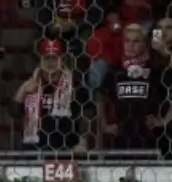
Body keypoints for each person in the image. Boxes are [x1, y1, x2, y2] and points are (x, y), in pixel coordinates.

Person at [95, 24, 172, 154]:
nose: (130, 45)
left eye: (136, 41)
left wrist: (164, 121)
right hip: (120, 135)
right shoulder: (115, 71)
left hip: (150, 137)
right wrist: (104, 125)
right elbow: (99, 95)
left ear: (144, 44)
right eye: (127, 41)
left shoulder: (156, 71)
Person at [10, 40, 87, 153]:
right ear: (40, 60)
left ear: (62, 60)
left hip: (66, 146)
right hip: (34, 146)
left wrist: (82, 142)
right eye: (47, 58)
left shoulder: (73, 84)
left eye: (54, 58)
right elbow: (14, 113)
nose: (51, 63)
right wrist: (22, 91)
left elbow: (86, 114)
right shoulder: (32, 84)